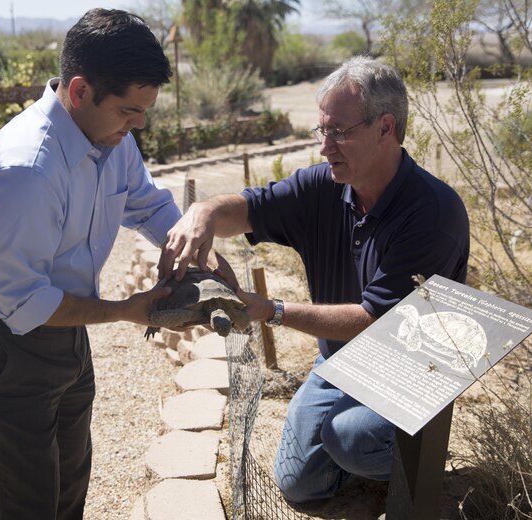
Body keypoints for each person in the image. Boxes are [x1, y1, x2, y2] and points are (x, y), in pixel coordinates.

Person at [159, 56, 470, 504]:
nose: (326, 146)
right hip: (342, 363)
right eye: (322, 131)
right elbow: (250, 207)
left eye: (339, 132)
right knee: (298, 485)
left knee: (350, 439)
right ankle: (371, 476)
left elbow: (375, 321)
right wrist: (203, 214)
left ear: (386, 128)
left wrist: (273, 312)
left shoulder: (432, 213)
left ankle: (419, 472)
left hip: (411, 372)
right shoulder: (324, 186)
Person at [0, 10, 181, 519]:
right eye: (127, 111)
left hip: (66, 325)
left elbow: (148, 204)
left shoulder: (112, 136)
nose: (137, 125)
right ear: (78, 91)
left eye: (143, 111)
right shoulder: (26, 169)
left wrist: (197, 252)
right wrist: (125, 309)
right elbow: (24, 302)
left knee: (69, 486)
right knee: (24, 503)